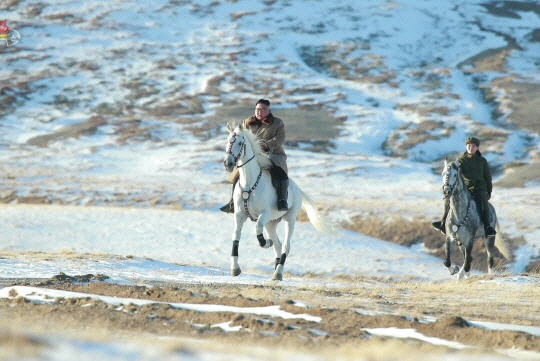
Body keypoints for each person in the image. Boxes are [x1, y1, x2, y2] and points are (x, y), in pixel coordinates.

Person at [220, 98, 289, 213]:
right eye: (257, 109)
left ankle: (282, 200)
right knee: (236, 175)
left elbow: (280, 138)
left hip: (272, 154)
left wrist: (266, 145)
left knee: (280, 174)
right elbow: (240, 136)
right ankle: (232, 202)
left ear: (269, 110)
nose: (259, 112)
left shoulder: (277, 123)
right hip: (252, 156)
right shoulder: (247, 122)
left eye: (263, 109)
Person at [432, 137, 496, 236]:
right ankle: (443, 222)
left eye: (473, 146)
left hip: (479, 189)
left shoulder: (482, 161)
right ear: (466, 147)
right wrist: (447, 168)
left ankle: (487, 227)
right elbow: (453, 169)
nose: (471, 148)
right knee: (448, 199)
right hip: (466, 189)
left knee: (484, 203)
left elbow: (488, 178)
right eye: (469, 146)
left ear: (477, 148)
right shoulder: (461, 160)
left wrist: (489, 191)